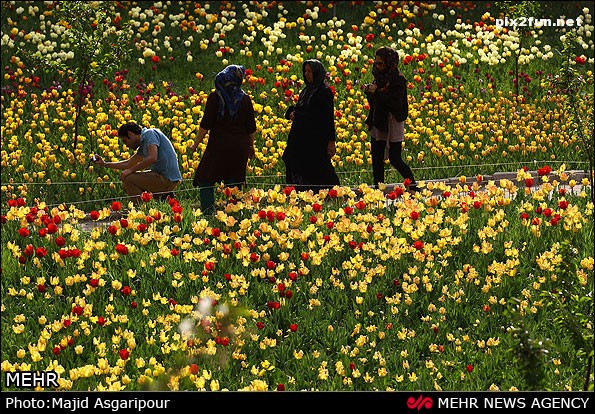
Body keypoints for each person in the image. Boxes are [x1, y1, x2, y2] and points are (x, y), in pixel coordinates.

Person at [190, 64, 257, 215]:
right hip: (240, 147)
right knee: (234, 179)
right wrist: (251, 147)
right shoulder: (245, 99)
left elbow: (205, 125)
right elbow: (251, 128)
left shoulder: (216, 97)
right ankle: (233, 214)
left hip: (219, 146)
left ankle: (208, 212)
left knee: (205, 177)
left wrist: (195, 144)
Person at [364, 46, 418, 192]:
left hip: (393, 123)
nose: (377, 66)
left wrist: (377, 93)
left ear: (389, 63)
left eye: (380, 63)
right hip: (378, 121)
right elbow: (375, 102)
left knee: (395, 158)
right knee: (377, 159)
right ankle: (378, 192)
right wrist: (370, 93)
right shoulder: (379, 78)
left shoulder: (398, 80)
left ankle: (413, 187)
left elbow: (394, 105)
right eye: (375, 63)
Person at [282, 59, 340, 193]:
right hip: (300, 139)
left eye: (310, 71)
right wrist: (291, 113)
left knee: (318, 170)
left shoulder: (324, 91)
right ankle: (302, 194)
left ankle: (329, 194)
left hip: (315, 140)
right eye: (305, 71)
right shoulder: (307, 90)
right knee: (295, 165)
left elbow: (327, 118)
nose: (307, 74)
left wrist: (331, 141)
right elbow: (297, 107)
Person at [93, 121, 182, 203]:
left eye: (125, 141)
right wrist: (104, 164)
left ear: (130, 134)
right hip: (162, 176)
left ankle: (142, 208)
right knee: (127, 181)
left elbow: (152, 157)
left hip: (167, 178)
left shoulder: (150, 134)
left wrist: (130, 170)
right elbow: (128, 163)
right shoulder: (143, 145)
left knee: (129, 179)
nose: (126, 145)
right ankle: (162, 198)